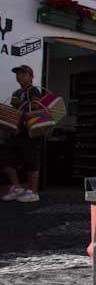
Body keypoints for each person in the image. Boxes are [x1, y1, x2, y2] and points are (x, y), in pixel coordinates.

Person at [2, 65, 42, 202]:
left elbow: (36, 105)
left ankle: (33, 192)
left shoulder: (33, 90)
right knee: (7, 159)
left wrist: (21, 103)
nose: (20, 76)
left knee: (32, 161)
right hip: (16, 131)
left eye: (23, 73)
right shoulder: (16, 92)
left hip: (30, 131)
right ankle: (18, 187)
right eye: (18, 73)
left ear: (31, 76)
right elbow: (15, 112)